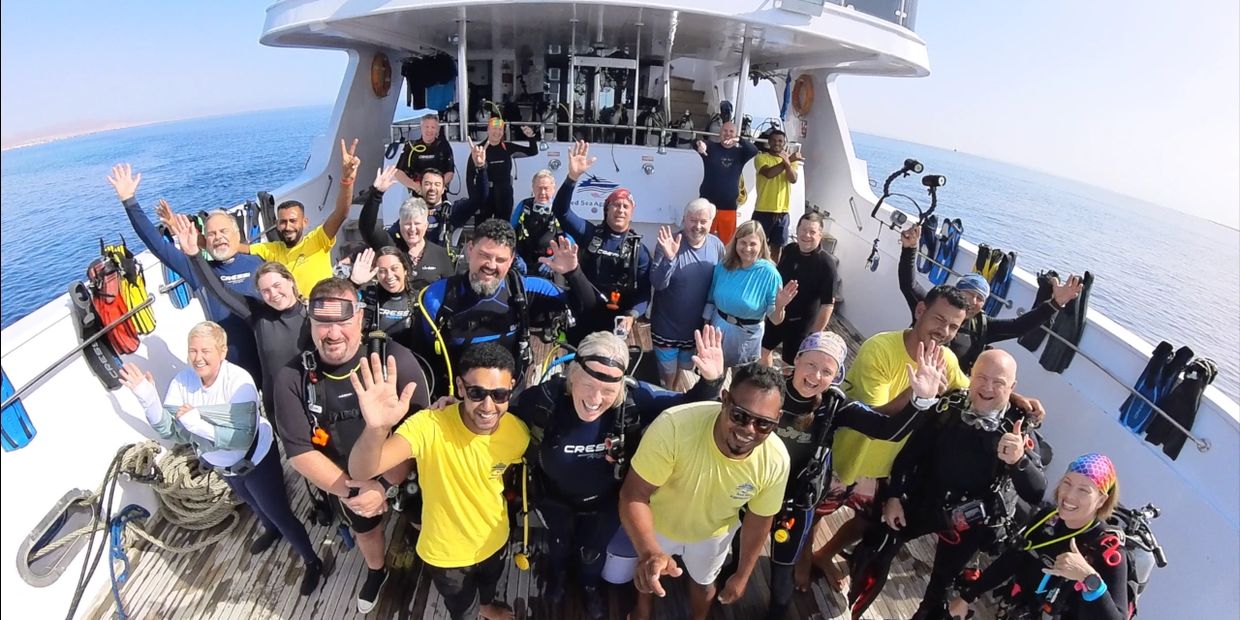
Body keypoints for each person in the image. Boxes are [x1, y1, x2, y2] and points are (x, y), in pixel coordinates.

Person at [511, 328, 726, 619]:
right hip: (553, 497)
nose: (595, 399)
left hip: (606, 501)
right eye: (588, 384)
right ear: (572, 376)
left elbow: (689, 406)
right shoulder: (542, 401)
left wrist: (711, 381)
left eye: (608, 391)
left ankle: (588, 587)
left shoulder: (635, 401)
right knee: (558, 545)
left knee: (592, 554)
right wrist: (452, 410)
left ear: (621, 387)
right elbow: (494, 415)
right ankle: (558, 578)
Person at [732, 331, 945, 620]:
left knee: (783, 575)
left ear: (835, 376)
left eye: (827, 371)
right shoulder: (770, 391)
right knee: (736, 553)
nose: (815, 375)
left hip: (795, 503)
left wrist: (920, 400)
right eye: (811, 364)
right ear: (797, 358)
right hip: (750, 493)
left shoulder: (835, 407)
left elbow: (887, 430)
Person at [118, 322, 323, 595]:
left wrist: (196, 421)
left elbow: (241, 437)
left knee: (281, 513)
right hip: (224, 466)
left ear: (223, 351)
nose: (197, 357)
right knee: (252, 504)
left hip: (257, 460)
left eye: (205, 350)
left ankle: (312, 560)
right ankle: (270, 531)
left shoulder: (240, 382)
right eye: (192, 350)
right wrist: (147, 398)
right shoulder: (182, 381)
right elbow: (171, 430)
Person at [847, 349, 1048, 619]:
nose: (988, 388)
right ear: (970, 378)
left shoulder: (1017, 429)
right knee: (875, 546)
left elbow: (1035, 493)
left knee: (939, 590)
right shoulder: (948, 408)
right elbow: (910, 455)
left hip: (968, 520)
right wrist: (894, 497)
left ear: (1011, 387)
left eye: (999, 382)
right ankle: (853, 606)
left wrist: (1019, 461)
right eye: (982, 378)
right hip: (925, 499)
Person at [270, 277, 431, 613]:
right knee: (367, 533)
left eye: (342, 321)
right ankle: (377, 570)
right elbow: (299, 451)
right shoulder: (291, 378)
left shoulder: (394, 361)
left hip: (403, 469)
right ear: (309, 322)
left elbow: (421, 431)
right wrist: (358, 494)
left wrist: (385, 486)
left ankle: (429, 552)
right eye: (322, 323)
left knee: (421, 516)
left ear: (360, 318)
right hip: (346, 483)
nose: (332, 333)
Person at [810, 284, 973, 588]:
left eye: (954, 325)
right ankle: (803, 558)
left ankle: (824, 553)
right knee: (818, 510)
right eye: (939, 319)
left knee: (866, 519)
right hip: (850, 454)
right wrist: (919, 391)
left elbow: (968, 389)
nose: (944, 330)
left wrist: (1014, 397)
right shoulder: (880, 348)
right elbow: (877, 415)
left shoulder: (946, 361)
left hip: (888, 466)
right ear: (920, 311)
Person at [348, 343, 527, 620]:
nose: (488, 406)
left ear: (511, 388)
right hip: (446, 555)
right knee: (462, 608)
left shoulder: (518, 432)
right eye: (477, 393)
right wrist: (377, 428)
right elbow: (362, 469)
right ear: (460, 386)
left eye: (499, 394)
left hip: (496, 539)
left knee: (488, 588)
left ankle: (487, 606)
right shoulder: (428, 425)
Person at [619, 363, 791, 620]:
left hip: (714, 535)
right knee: (650, 572)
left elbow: (760, 518)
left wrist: (743, 575)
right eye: (740, 415)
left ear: (776, 422)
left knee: (704, 584)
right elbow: (634, 495)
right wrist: (650, 550)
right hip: (659, 524)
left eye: (764, 424)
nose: (749, 430)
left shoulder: (776, 461)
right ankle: (642, 612)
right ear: (724, 400)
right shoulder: (674, 427)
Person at [107, 164, 263, 380]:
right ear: (205, 241)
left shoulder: (258, 264)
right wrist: (129, 201)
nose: (218, 237)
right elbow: (158, 246)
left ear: (237, 234)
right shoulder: (199, 271)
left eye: (223, 231)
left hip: (267, 362)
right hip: (227, 374)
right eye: (212, 234)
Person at [414, 219, 593, 393]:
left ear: (511, 260)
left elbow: (589, 308)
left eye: (500, 259)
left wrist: (573, 273)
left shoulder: (523, 290)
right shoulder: (437, 297)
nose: (491, 266)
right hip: (454, 399)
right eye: (484, 255)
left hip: (508, 399)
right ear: (470, 250)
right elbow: (422, 358)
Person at [169, 215, 311, 426]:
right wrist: (194, 256)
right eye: (265, 291)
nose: (273, 294)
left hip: (311, 399)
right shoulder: (258, 317)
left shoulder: (312, 315)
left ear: (290, 281)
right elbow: (219, 290)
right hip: (280, 409)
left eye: (277, 285)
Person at [948, 454, 1127, 620]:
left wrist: (1088, 577)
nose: (1069, 495)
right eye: (1067, 483)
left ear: (1101, 500)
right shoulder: (1049, 517)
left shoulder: (1107, 550)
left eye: (1083, 490)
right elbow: (1013, 558)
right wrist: (967, 596)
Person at [898, 225, 1084, 373]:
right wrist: (910, 249)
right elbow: (909, 285)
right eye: (968, 293)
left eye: (980, 298)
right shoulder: (932, 308)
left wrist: (1055, 303)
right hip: (909, 371)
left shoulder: (982, 327)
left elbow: (1018, 326)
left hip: (948, 386)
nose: (972, 301)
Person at [553, 141, 653, 341]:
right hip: (583, 311)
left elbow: (643, 294)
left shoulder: (639, 250)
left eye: (626, 206)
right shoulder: (589, 232)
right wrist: (572, 178)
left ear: (631, 213)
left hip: (616, 320)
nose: (621, 210)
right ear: (606, 210)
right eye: (616, 205)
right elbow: (561, 212)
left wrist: (632, 316)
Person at [242, 139, 361, 294]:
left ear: (305, 222)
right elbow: (237, 248)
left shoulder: (318, 240)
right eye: (283, 222)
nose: (288, 226)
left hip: (320, 306)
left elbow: (341, 212)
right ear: (277, 224)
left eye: (293, 221)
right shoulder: (270, 250)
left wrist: (347, 180)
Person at [650, 199, 725, 389]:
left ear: (710, 223)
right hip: (666, 327)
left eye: (703, 221)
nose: (697, 226)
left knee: (684, 370)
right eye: (693, 220)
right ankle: (667, 398)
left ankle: (673, 395)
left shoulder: (717, 246)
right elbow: (658, 284)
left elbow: (723, 279)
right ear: (684, 219)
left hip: (695, 330)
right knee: (667, 375)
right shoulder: (668, 243)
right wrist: (670, 258)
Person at [704, 220, 799, 367]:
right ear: (736, 242)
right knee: (712, 380)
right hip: (717, 330)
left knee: (741, 383)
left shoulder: (770, 274)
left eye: (753, 244)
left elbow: (775, 320)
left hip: (746, 338)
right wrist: (705, 326)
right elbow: (710, 298)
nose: (747, 248)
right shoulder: (723, 265)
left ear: (762, 244)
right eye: (742, 242)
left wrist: (780, 306)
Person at [365, 144, 488, 250]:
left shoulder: (453, 212)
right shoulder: (410, 215)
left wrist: (481, 168)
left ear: (444, 188)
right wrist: (377, 193)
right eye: (427, 184)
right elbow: (378, 236)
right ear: (420, 187)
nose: (432, 188)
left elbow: (480, 198)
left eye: (437, 184)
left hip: (441, 269)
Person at [760, 211, 836, 367]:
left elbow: (827, 304)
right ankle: (768, 385)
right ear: (797, 230)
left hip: (802, 325)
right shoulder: (789, 250)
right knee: (763, 351)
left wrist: (815, 335)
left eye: (812, 232)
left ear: (820, 235)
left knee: (789, 365)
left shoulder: (826, 264)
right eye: (803, 229)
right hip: (779, 314)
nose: (806, 235)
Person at [355, 172, 454, 288]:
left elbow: (451, 292)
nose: (412, 229)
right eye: (407, 224)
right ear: (400, 224)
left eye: (417, 224)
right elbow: (367, 228)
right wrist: (377, 194)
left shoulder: (440, 254)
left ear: (426, 225)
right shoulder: (390, 246)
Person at [694, 122, 759, 243]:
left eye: (731, 132)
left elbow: (754, 150)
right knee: (702, 240)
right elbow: (697, 143)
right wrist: (700, 144)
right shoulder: (711, 147)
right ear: (720, 133)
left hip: (728, 206)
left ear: (736, 134)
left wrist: (739, 140)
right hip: (707, 205)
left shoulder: (741, 153)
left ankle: (726, 262)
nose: (727, 134)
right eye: (725, 131)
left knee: (728, 243)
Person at [467, 118, 540, 222]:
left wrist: (531, 137)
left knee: (503, 228)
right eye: (494, 129)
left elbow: (532, 151)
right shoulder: (479, 150)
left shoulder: (508, 147)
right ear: (488, 129)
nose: (497, 132)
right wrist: (473, 200)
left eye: (500, 129)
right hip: (484, 195)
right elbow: (469, 177)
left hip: (504, 194)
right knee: (482, 229)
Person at [347, 247, 421, 349]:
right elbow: (338, 306)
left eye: (394, 268)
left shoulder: (419, 299)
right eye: (382, 271)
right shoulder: (369, 297)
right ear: (376, 274)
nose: (389, 276)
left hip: (410, 361)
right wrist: (353, 283)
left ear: (405, 270)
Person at [751, 130, 804, 261]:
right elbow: (769, 173)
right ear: (769, 142)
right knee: (756, 244)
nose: (777, 143)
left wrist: (788, 162)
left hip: (783, 212)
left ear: (784, 143)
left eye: (780, 141)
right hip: (763, 210)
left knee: (777, 247)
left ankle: (773, 273)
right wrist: (787, 161)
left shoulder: (791, 162)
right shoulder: (761, 158)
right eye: (774, 140)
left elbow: (793, 179)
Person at [508, 169, 568, 276]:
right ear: (533, 188)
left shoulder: (560, 209)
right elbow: (509, 232)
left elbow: (570, 239)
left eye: (546, 188)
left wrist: (555, 259)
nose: (542, 193)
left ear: (553, 189)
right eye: (539, 188)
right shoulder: (524, 205)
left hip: (551, 264)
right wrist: (515, 256)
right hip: (524, 261)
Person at [395, 113, 455, 193]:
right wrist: (416, 186)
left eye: (433, 127)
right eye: (426, 127)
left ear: (437, 129)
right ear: (421, 127)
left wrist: (437, 186)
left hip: (437, 192)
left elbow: (450, 172)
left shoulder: (444, 145)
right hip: (417, 192)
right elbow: (398, 173)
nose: (429, 130)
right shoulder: (411, 146)